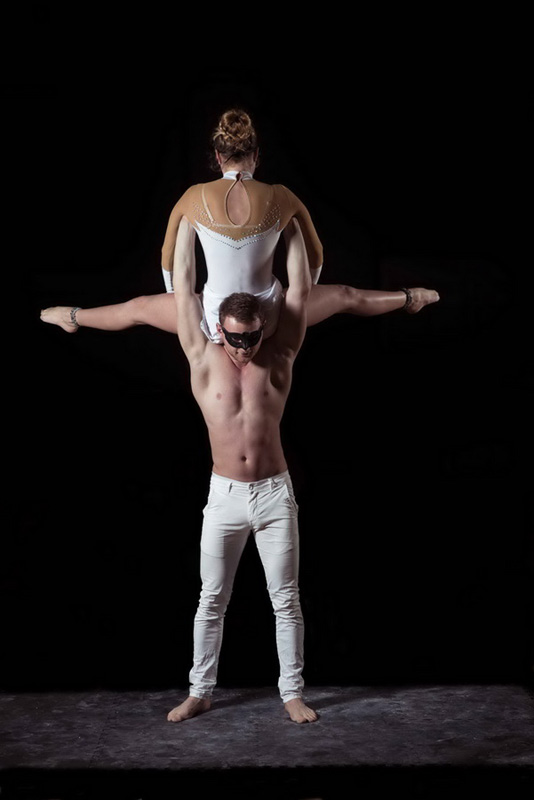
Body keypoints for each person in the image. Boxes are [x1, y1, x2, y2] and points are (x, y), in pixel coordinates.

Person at [40, 109, 439, 336]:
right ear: (256, 156)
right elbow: (316, 254)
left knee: (138, 308)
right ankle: (411, 298)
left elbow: (167, 256)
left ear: (217, 156)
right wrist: (301, 299)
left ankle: (71, 317)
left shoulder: (193, 196)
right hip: (274, 313)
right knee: (348, 296)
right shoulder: (281, 195)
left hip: (211, 316)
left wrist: (184, 307)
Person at [167, 215, 317, 724]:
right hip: (224, 496)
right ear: (219, 329)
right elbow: (183, 288)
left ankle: (291, 694)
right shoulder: (201, 356)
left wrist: (293, 226)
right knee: (211, 599)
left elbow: (301, 289)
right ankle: (200, 691)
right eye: (234, 339)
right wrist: (186, 222)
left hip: (275, 495)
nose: (243, 349)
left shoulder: (280, 355)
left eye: (251, 338)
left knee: (286, 600)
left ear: (262, 330)